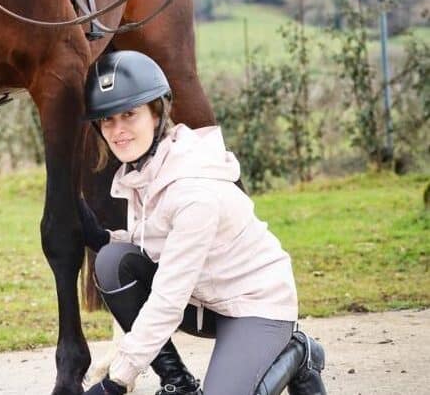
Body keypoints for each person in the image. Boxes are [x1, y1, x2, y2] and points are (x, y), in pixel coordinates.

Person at [79, 50, 327, 395]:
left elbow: (167, 298)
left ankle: (299, 353)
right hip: (203, 300)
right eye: (107, 120)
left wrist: (115, 382)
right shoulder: (143, 172)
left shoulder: (193, 190)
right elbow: (155, 244)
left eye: (129, 114)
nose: (118, 130)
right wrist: (102, 237)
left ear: (156, 112)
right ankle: (179, 384)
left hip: (255, 304)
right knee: (112, 262)